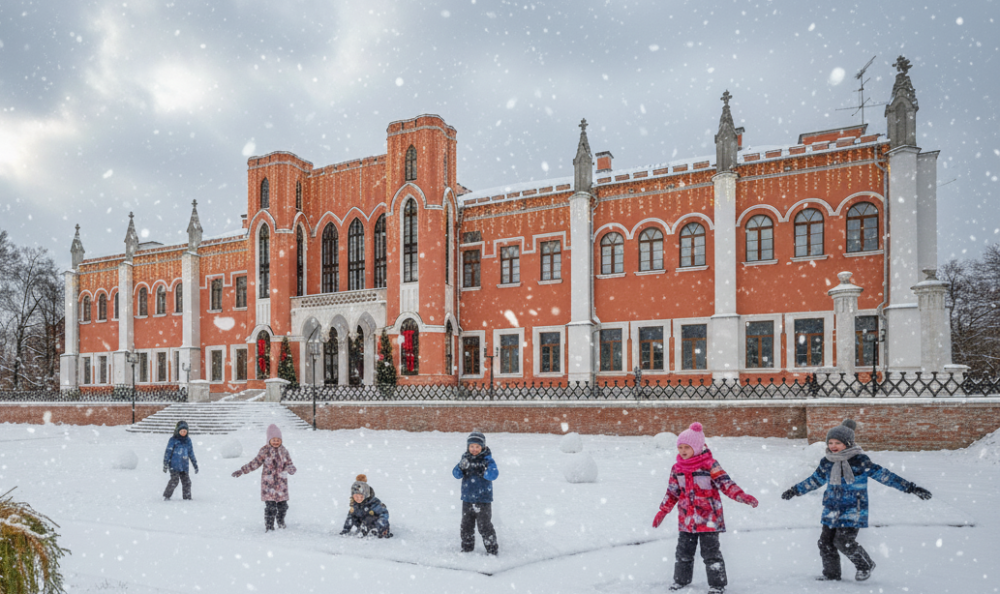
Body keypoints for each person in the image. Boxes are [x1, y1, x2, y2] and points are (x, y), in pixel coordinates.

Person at [782, 419, 933, 582]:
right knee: (825, 543)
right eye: (830, 442)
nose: (833, 446)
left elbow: (885, 476)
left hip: (854, 509)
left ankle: (865, 565)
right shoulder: (827, 462)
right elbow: (815, 480)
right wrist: (795, 490)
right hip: (831, 508)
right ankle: (831, 575)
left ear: (848, 443)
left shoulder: (860, 461)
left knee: (843, 541)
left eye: (837, 443)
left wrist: (911, 488)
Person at [652, 422, 758, 594]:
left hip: (709, 520)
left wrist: (742, 496)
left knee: (711, 555)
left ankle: (717, 585)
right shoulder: (677, 468)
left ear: (697, 447)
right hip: (686, 520)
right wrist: (663, 511)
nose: (683, 451)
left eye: (687, 447)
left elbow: (726, 483)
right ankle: (681, 580)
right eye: (680, 447)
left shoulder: (709, 465)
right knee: (683, 553)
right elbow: (672, 492)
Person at [232, 424, 298, 532]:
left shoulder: (284, 451)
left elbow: (289, 463)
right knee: (271, 507)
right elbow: (255, 463)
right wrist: (242, 470)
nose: (276, 442)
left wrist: (291, 468)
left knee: (283, 507)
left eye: (278, 440)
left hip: (281, 484)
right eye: (273, 440)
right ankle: (269, 527)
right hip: (268, 484)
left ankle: (281, 522)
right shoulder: (265, 451)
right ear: (269, 440)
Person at [452, 430, 499, 555]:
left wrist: (485, 471)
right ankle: (467, 548)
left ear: (482, 447)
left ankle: (492, 549)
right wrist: (460, 467)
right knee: (466, 525)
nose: (474, 449)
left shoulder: (487, 460)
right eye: (471, 446)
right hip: (467, 499)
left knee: (484, 526)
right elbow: (456, 474)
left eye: (477, 446)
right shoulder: (465, 459)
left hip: (483, 500)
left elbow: (493, 474)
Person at [162, 420, 198, 500]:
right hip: (174, 466)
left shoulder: (188, 441)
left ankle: (187, 497)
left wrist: (195, 465)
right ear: (178, 431)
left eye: (185, 431)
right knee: (174, 481)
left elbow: (191, 453)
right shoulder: (173, 440)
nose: (183, 433)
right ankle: (166, 496)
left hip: (184, 466)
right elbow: (168, 452)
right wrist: (165, 464)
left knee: (187, 482)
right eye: (181, 431)